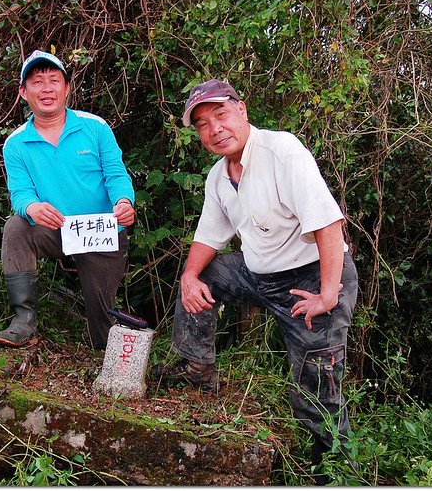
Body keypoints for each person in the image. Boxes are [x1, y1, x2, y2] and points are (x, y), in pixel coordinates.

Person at [150, 79, 359, 480]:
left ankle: (335, 470)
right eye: (202, 124)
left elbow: (328, 224)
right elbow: (209, 236)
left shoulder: (282, 152)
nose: (214, 129)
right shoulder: (218, 175)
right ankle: (197, 367)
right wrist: (189, 278)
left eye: (221, 115)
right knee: (203, 273)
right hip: (259, 273)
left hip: (311, 279)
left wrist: (328, 295)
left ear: (241, 111)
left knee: (314, 384)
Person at [0, 49, 136, 350]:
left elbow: (116, 175)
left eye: (54, 80)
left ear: (67, 88)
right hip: (55, 229)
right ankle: (23, 323)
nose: (47, 88)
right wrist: (32, 207)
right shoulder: (15, 143)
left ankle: (108, 355)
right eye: (37, 82)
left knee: (103, 330)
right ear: (23, 92)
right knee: (16, 227)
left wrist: (124, 202)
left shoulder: (95, 127)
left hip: (102, 232)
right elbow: (20, 193)